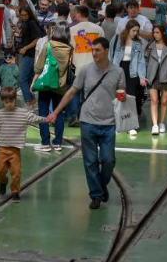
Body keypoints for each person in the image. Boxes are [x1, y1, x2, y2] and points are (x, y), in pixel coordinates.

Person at [46, 37, 125, 209]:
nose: (94, 53)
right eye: (92, 50)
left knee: (108, 159)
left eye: (97, 50)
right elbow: (72, 92)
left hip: (109, 123)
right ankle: (96, 195)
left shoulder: (118, 72)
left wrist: (123, 97)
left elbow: (121, 96)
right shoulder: (85, 70)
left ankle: (102, 184)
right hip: (88, 121)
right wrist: (56, 112)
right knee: (89, 161)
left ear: (106, 51)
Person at [0, 87, 47, 201]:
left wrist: (47, 119)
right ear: (2, 101)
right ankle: (3, 181)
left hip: (15, 150)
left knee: (16, 172)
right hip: (2, 148)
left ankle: (15, 192)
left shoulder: (23, 114)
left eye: (11, 101)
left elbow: (34, 118)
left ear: (15, 99)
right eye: (6, 102)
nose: (9, 104)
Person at [31, 21, 72, 151]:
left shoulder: (48, 45)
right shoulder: (70, 48)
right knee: (58, 113)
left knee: (43, 112)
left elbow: (39, 66)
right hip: (61, 85)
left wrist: (33, 81)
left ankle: (45, 142)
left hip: (46, 83)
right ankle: (57, 142)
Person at [67, 5, 106, 126]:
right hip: (94, 67)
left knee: (75, 93)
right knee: (90, 93)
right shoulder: (98, 29)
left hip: (77, 66)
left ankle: (74, 116)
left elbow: (68, 49)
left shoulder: (71, 30)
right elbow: (103, 48)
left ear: (78, 14)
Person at [109, 20, 147, 135]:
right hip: (118, 69)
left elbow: (141, 60)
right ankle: (118, 124)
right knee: (118, 97)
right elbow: (110, 55)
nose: (135, 33)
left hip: (132, 71)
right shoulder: (117, 39)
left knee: (131, 98)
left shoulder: (138, 43)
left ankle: (130, 125)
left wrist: (142, 76)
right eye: (133, 30)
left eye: (137, 31)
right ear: (128, 29)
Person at [145, 25, 167, 135]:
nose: (155, 35)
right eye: (154, 32)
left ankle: (162, 123)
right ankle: (155, 124)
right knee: (154, 100)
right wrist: (143, 75)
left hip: (166, 75)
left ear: (163, 33)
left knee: (164, 101)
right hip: (152, 76)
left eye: (157, 32)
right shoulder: (150, 46)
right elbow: (145, 61)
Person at [16, 6, 44, 108]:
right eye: (22, 15)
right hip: (31, 54)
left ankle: (28, 101)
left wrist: (25, 48)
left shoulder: (31, 23)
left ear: (29, 14)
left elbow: (37, 39)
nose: (23, 17)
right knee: (28, 80)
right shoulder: (29, 23)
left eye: (25, 15)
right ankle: (31, 101)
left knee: (23, 79)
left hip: (30, 54)